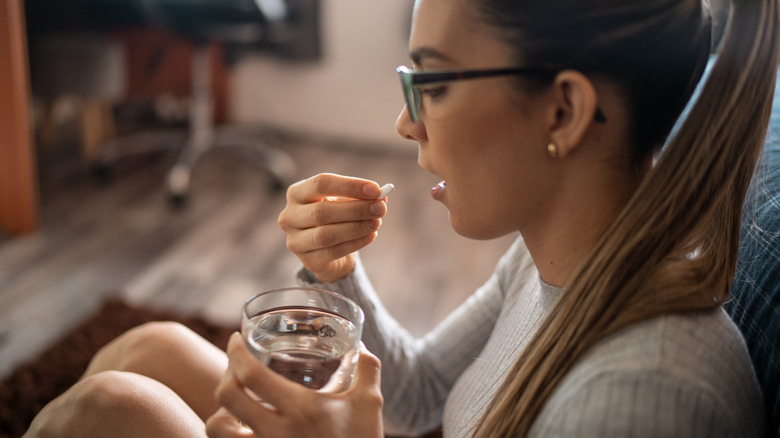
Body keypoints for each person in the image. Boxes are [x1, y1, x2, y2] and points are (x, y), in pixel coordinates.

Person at [24, 0, 780, 437]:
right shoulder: (560, 260)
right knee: (153, 352)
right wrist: (337, 273)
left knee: (113, 409)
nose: (404, 123)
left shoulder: (644, 398)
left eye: (433, 83)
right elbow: (418, 394)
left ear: (565, 109)